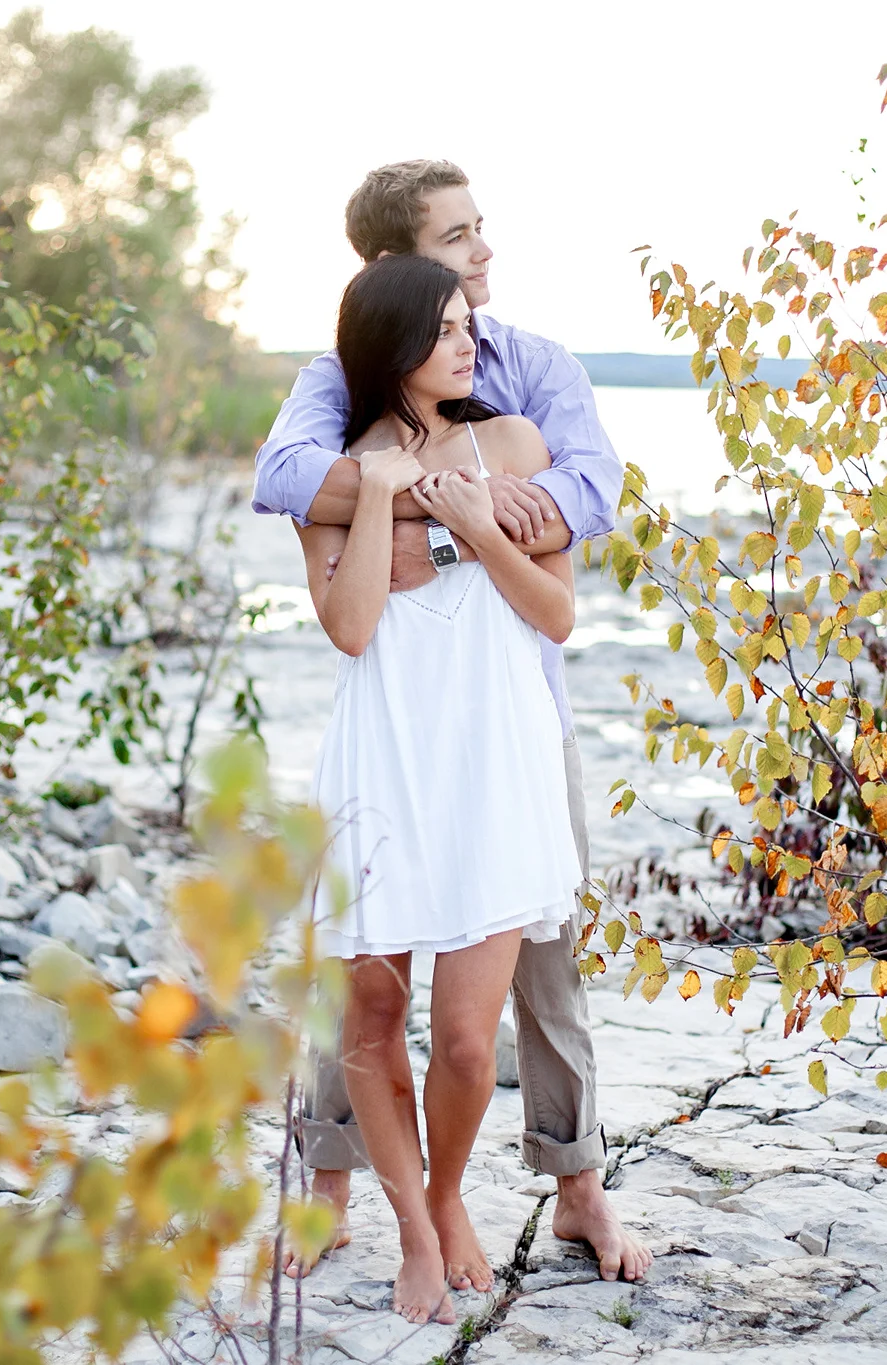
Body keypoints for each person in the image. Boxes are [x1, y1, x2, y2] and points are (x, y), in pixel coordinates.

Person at [255, 159, 652, 1287]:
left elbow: (588, 495)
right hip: (395, 725)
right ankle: (334, 1184)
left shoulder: (533, 368)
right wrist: (418, 516)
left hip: (518, 709)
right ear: (391, 269)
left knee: (542, 966)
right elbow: (290, 480)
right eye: (456, 237)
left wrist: (479, 524)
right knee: (363, 981)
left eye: (482, 231)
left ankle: (576, 1188)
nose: (482, 256)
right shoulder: (339, 374)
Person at [298, 252, 582, 1324]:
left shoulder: (511, 447)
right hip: (383, 761)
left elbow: (554, 619)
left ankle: (451, 1191)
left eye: (470, 325)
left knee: (467, 1040)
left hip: (492, 764)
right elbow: (351, 626)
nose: (473, 341)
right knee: (372, 1012)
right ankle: (415, 1231)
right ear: (395, 347)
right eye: (451, 328)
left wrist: (470, 525)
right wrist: (375, 496)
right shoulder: (335, 473)